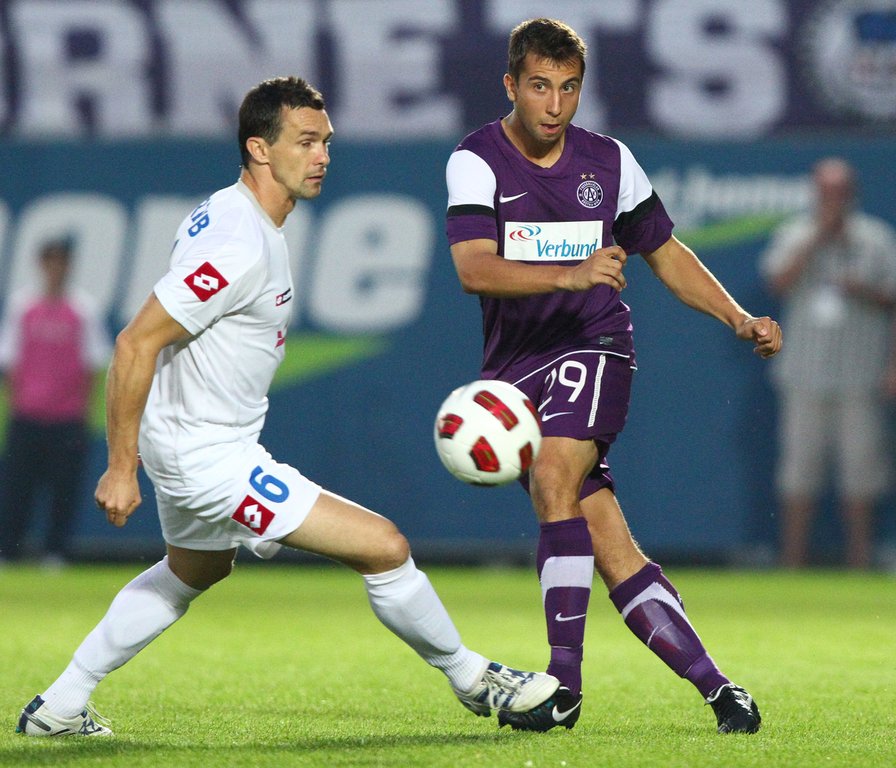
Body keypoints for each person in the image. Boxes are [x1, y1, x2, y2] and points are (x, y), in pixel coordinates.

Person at [16, 76, 559, 738]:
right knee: (383, 546)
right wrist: (120, 465)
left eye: (326, 142)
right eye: (305, 142)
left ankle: (61, 704)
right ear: (259, 148)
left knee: (195, 568)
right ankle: (476, 679)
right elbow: (135, 343)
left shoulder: (234, 213)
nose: (322, 156)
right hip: (205, 453)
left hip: (191, 437)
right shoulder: (238, 244)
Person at [445, 18, 782, 734]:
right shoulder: (476, 160)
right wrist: (569, 271)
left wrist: (737, 316)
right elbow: (474, 268)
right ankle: (721, 691)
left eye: (569, 88)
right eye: (540, 87)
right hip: (514, 369)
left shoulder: (609, 162)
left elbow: (666, 252)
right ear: (511, 85)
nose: (555, 105)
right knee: (609, 545)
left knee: (554, 476)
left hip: (594, 345)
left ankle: (561, 688)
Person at [761, 157, 896, 569]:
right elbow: (777, 282)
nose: (833, 200)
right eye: (826, 192)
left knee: (862, 472)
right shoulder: (795, 233)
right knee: (799, 472)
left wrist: (863, 290)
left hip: (860, 374)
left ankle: (860, 562)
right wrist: (818, 237)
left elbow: (892, 297)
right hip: (804, 373)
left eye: (840, 192)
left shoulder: (875, 239)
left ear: (852, 194)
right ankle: (793, 563)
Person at [0, 239, 110, 567]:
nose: (56, 269)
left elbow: (94, 363)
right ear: (41, 265)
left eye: (62, 262)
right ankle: (9, 551)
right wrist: (17, 403)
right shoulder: (22, 307)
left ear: (69, 266)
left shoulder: (83, 310)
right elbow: (9, 359)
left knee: (64, 491)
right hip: (27, 416)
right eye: (51, 262)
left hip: (68, 419)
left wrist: (83, 411)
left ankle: (55, 553)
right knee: (16, 489)